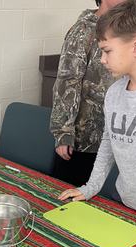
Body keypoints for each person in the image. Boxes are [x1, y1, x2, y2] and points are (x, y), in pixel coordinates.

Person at [58, 0, 136, 243]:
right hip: (127, 206)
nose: (103, 59)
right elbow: (108, 143)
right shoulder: (115, 92)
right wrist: (90, 187)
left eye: (107, 51)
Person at [50, 0, 125, 186]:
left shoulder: (128, 29)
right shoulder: (84, 29)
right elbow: (67, 82)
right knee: (73, 200)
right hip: (85, 141)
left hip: (118, 138)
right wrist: (63, 132)